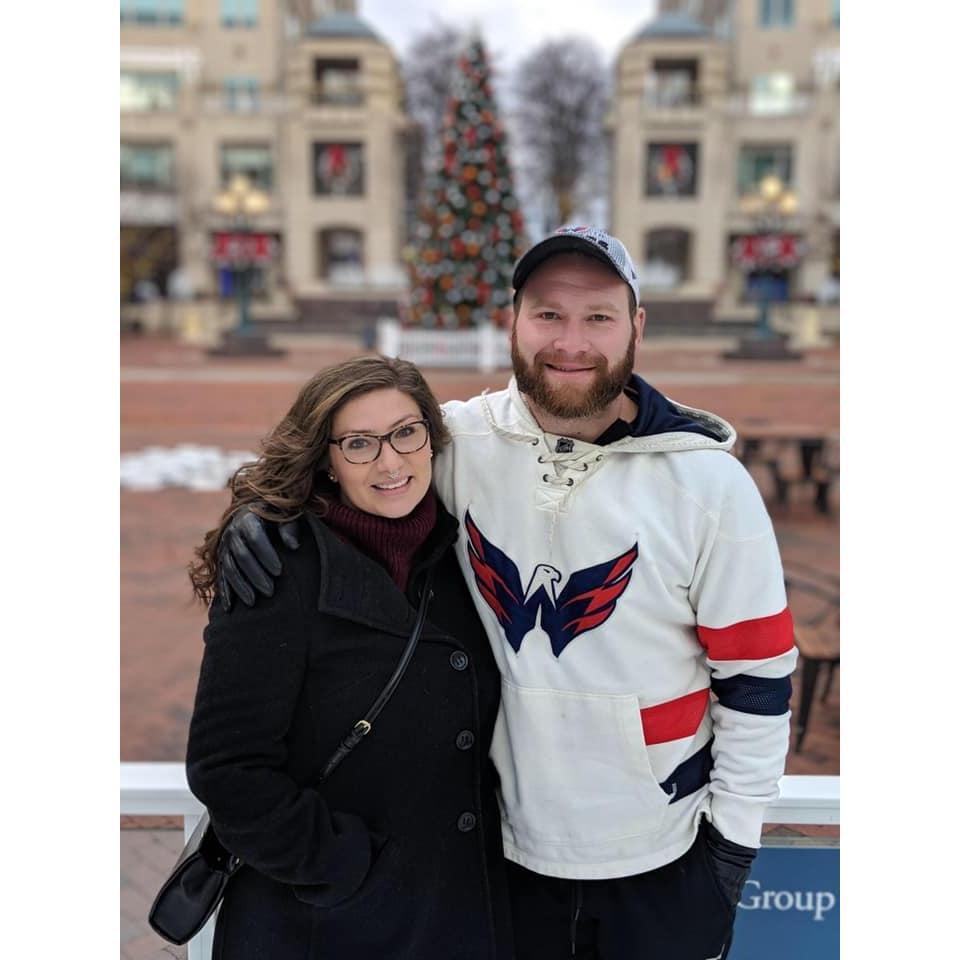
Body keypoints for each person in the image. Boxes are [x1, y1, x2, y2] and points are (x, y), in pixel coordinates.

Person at [218, 226, 798, 960]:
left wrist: (732, 853)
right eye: (548, 314)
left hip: (663, 860)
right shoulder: (458, 444)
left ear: (636, 328)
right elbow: (353, 467)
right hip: (499, 857)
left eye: (598, 317)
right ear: (512, 322)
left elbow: (758, 681)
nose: (571, 341)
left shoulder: (709, 486)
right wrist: (263, 515)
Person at [184, 356, 514, 960]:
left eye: (406, 433)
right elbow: (226, 768)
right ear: (327, 461)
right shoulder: (277, 571)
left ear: (432, 440)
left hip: (456, 911)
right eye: (359, 444)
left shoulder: (464, 557)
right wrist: (342, 865)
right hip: (324, 923)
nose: (390, 462)